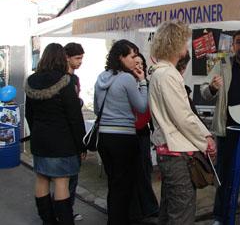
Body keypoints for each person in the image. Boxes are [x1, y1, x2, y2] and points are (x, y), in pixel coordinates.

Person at [148, 21, 216, 225]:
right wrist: (206, 140)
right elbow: (184, 117)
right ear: (175, 45)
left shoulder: (160, 73)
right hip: (177, 153)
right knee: (182, 213)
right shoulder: (168, 74)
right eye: (184, 43)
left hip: (169, 151)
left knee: (170, 211)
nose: (186, 49)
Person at [200, 29, 240, 225]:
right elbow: (204, 91)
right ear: (233, 45)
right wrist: (212, 88)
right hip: (227, 131)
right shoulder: (223, 65)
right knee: (224, 176)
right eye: (238, 42)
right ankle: (221, 216)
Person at [25, 43, 86, 225]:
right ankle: (65, 221)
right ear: (62, 58)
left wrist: (36, 132)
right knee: (61, 182)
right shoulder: (66, 81)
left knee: (42, 179)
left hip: (39, 140)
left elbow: (29, 114)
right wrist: (81, 144)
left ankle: (48, 220)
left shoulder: (31, 80)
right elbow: (74, 117)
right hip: (62, 142)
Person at [94, 39, 148, 225]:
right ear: (120, 57)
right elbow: (141, 106)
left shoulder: (102, 77)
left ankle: (113, 219)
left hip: (104, 138)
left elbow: (96, 108)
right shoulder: (126, 78)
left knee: (113, 185)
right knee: (124, 187)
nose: (135, 60)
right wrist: (142, 82)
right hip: (123, 138)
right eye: (132, 56)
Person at [129, 53, 159, 222]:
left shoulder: (147, 83)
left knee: (145, 169)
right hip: (129, 131)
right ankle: (137, 208)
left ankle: (148, 207)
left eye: (141, 63)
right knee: (134, 170)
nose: (139, 66)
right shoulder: (127, 83)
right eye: (136, 63)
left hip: (143, 131)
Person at [64, 42, 85, 222]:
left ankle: (65, 212)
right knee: (67, 179)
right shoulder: (65, 80)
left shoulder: (75, 79)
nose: (80, 62)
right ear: (67, 58)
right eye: (77, 58)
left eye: (81, 58)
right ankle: (64, 214)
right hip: (67, 137)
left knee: (71, 179)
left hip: (70, 136)